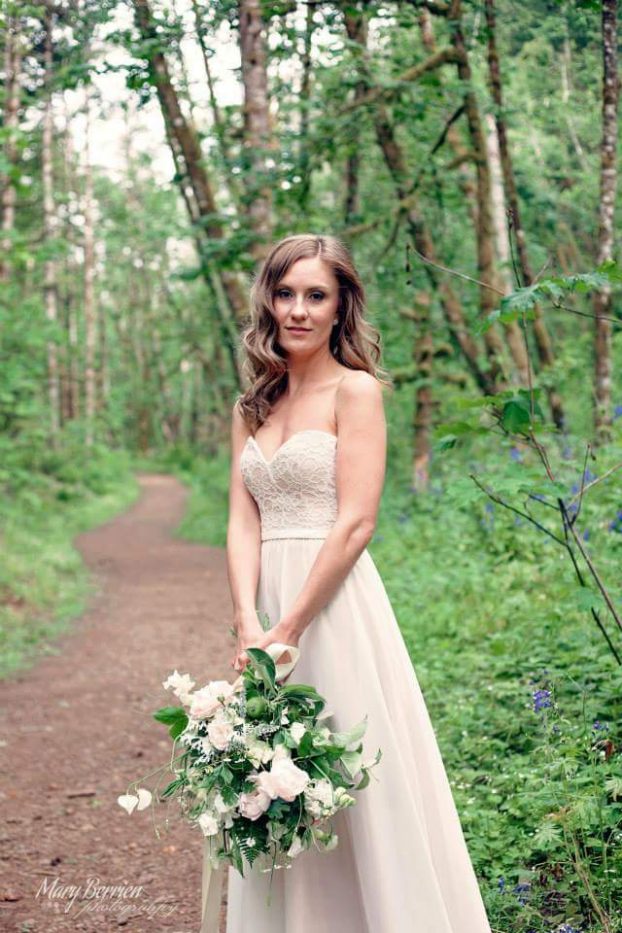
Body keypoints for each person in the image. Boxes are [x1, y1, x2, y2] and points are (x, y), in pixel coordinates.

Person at [219, 233, 492, 932]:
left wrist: (291, 626)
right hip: (266, 609)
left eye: (316, 295)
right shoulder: (253, 404)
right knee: (272, 777)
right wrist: (250, 622)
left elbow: (356, 522)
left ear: (341, 306)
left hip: (332, 605)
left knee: (351, 773)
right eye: (286, 294)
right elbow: (242, 520)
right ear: (268, 303)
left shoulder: (357, 390)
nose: (299, 310)